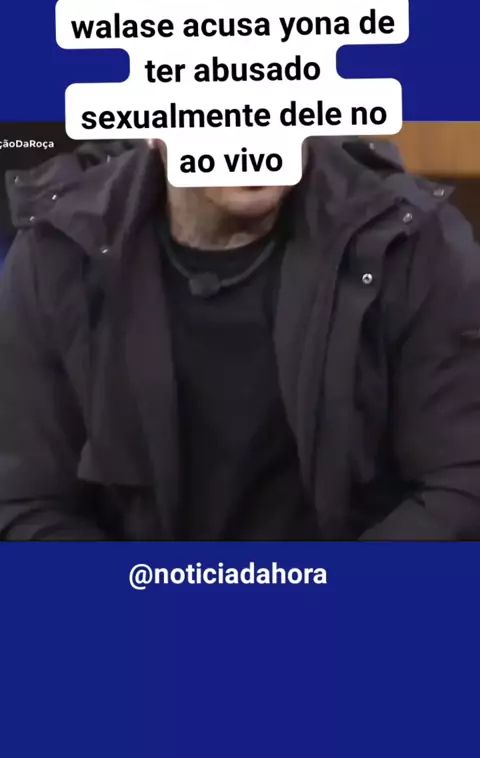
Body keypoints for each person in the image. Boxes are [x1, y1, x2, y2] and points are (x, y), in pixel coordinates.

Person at [1, 135, 480, 541]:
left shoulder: (410, 240)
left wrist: (320, 606)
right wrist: (153, 610)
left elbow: (460, 481)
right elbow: (25, 501)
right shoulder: (59, 249)